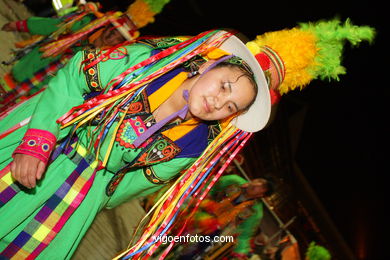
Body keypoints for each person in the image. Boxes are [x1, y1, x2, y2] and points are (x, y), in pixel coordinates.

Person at [0, 19, 373, 260]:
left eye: (231, 105)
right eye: (225, 84)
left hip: (79, 195)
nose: (217, 101)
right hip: (50, 139)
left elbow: (130, 186)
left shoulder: (196, 145)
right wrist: (39, 140)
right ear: (210, 63)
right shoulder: (149, 63)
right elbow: (77, 74)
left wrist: (92, 192)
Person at [0, 0, 171, 108]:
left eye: (118, 37)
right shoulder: (82, 29)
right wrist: (21, 25)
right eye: (112, 31)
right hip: (20, 77)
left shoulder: (103, 63)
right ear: (107, 26)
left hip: (35, 99)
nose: (111, 36)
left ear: (121, 43)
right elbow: (52, 26)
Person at [171, 174, 275, 260]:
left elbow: (245, 234)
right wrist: (203, 200)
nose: (257, 184)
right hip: (198, 212)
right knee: (171, 232)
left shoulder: (255, 211)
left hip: (214, 231)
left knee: (188, 254)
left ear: (262, 195)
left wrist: (241, 251)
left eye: (262, 187)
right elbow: (211, 186)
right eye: (259, 180)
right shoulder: (233, 180)